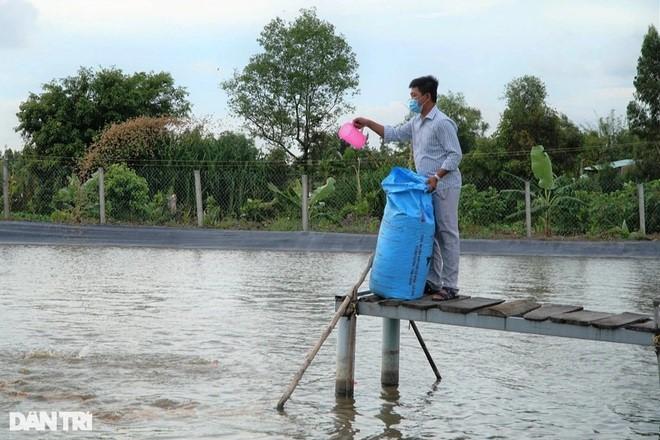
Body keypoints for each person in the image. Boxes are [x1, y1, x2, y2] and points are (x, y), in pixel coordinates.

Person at [353, 75, 462, 301]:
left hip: (444, 185)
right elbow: (392, 133)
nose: (411, 100)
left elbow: (455, 155)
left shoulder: (442, 123)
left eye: (414, 96)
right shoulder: (416, 123)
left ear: (427, 96)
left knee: (446, 234)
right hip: (424, 188)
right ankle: (433, 282)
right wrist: (367, 122)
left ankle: (450, 286)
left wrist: (437, 177)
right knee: (429, 234)